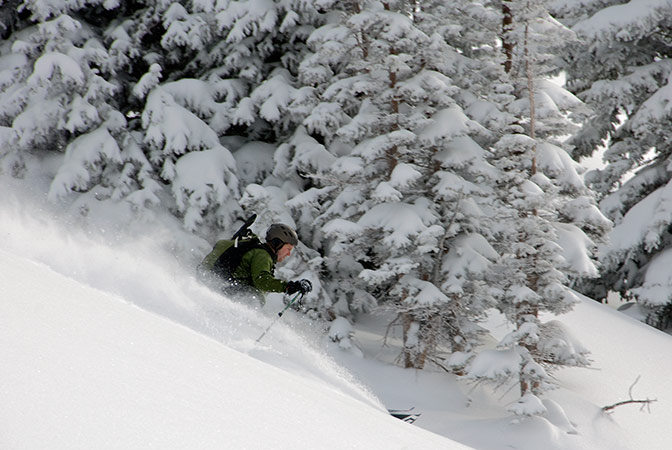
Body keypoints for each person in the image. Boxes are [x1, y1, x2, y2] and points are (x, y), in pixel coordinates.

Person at [198, 223, 312, 303]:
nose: (288, 254)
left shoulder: (257, 251)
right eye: (288, 249)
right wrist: (288, 286)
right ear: (277, 243)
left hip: (215, 283)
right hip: (225, 290)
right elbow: (262, 280)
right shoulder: (262, 255)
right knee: (255, 296)